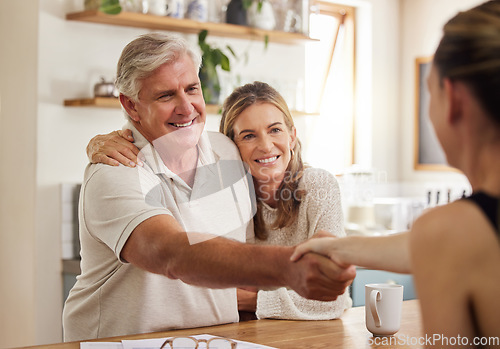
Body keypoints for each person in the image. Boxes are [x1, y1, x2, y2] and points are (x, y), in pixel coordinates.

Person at [63, 32, 356, 342]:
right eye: (166, 95)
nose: (186, 107)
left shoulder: (227, 152)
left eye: (192, 89)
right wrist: (289, 269)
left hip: (215, 341)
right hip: (124, 345)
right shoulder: (115, 172)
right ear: (131, 106)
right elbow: (171, 253)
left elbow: (272, 166)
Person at [292, 1, 500, 346]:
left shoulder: (451, 233)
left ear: (454, 99)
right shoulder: (458, 235)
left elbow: (441, 245)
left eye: (428, 92)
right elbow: (424, 247)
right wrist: (339, 248)